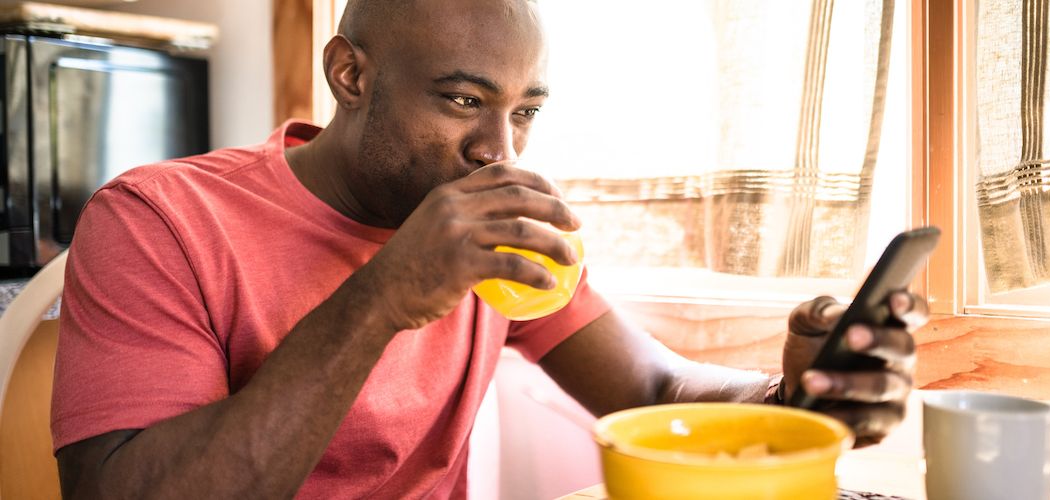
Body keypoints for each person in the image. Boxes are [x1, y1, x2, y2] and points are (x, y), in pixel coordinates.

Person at [50, 0, 925, 498]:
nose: (499, 149)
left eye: (525, 111)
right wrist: (384, 297)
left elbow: (654, 388)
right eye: (464, 100)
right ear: (351, 75)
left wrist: (793, 397)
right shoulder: (157, 220)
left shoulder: (481, 224)